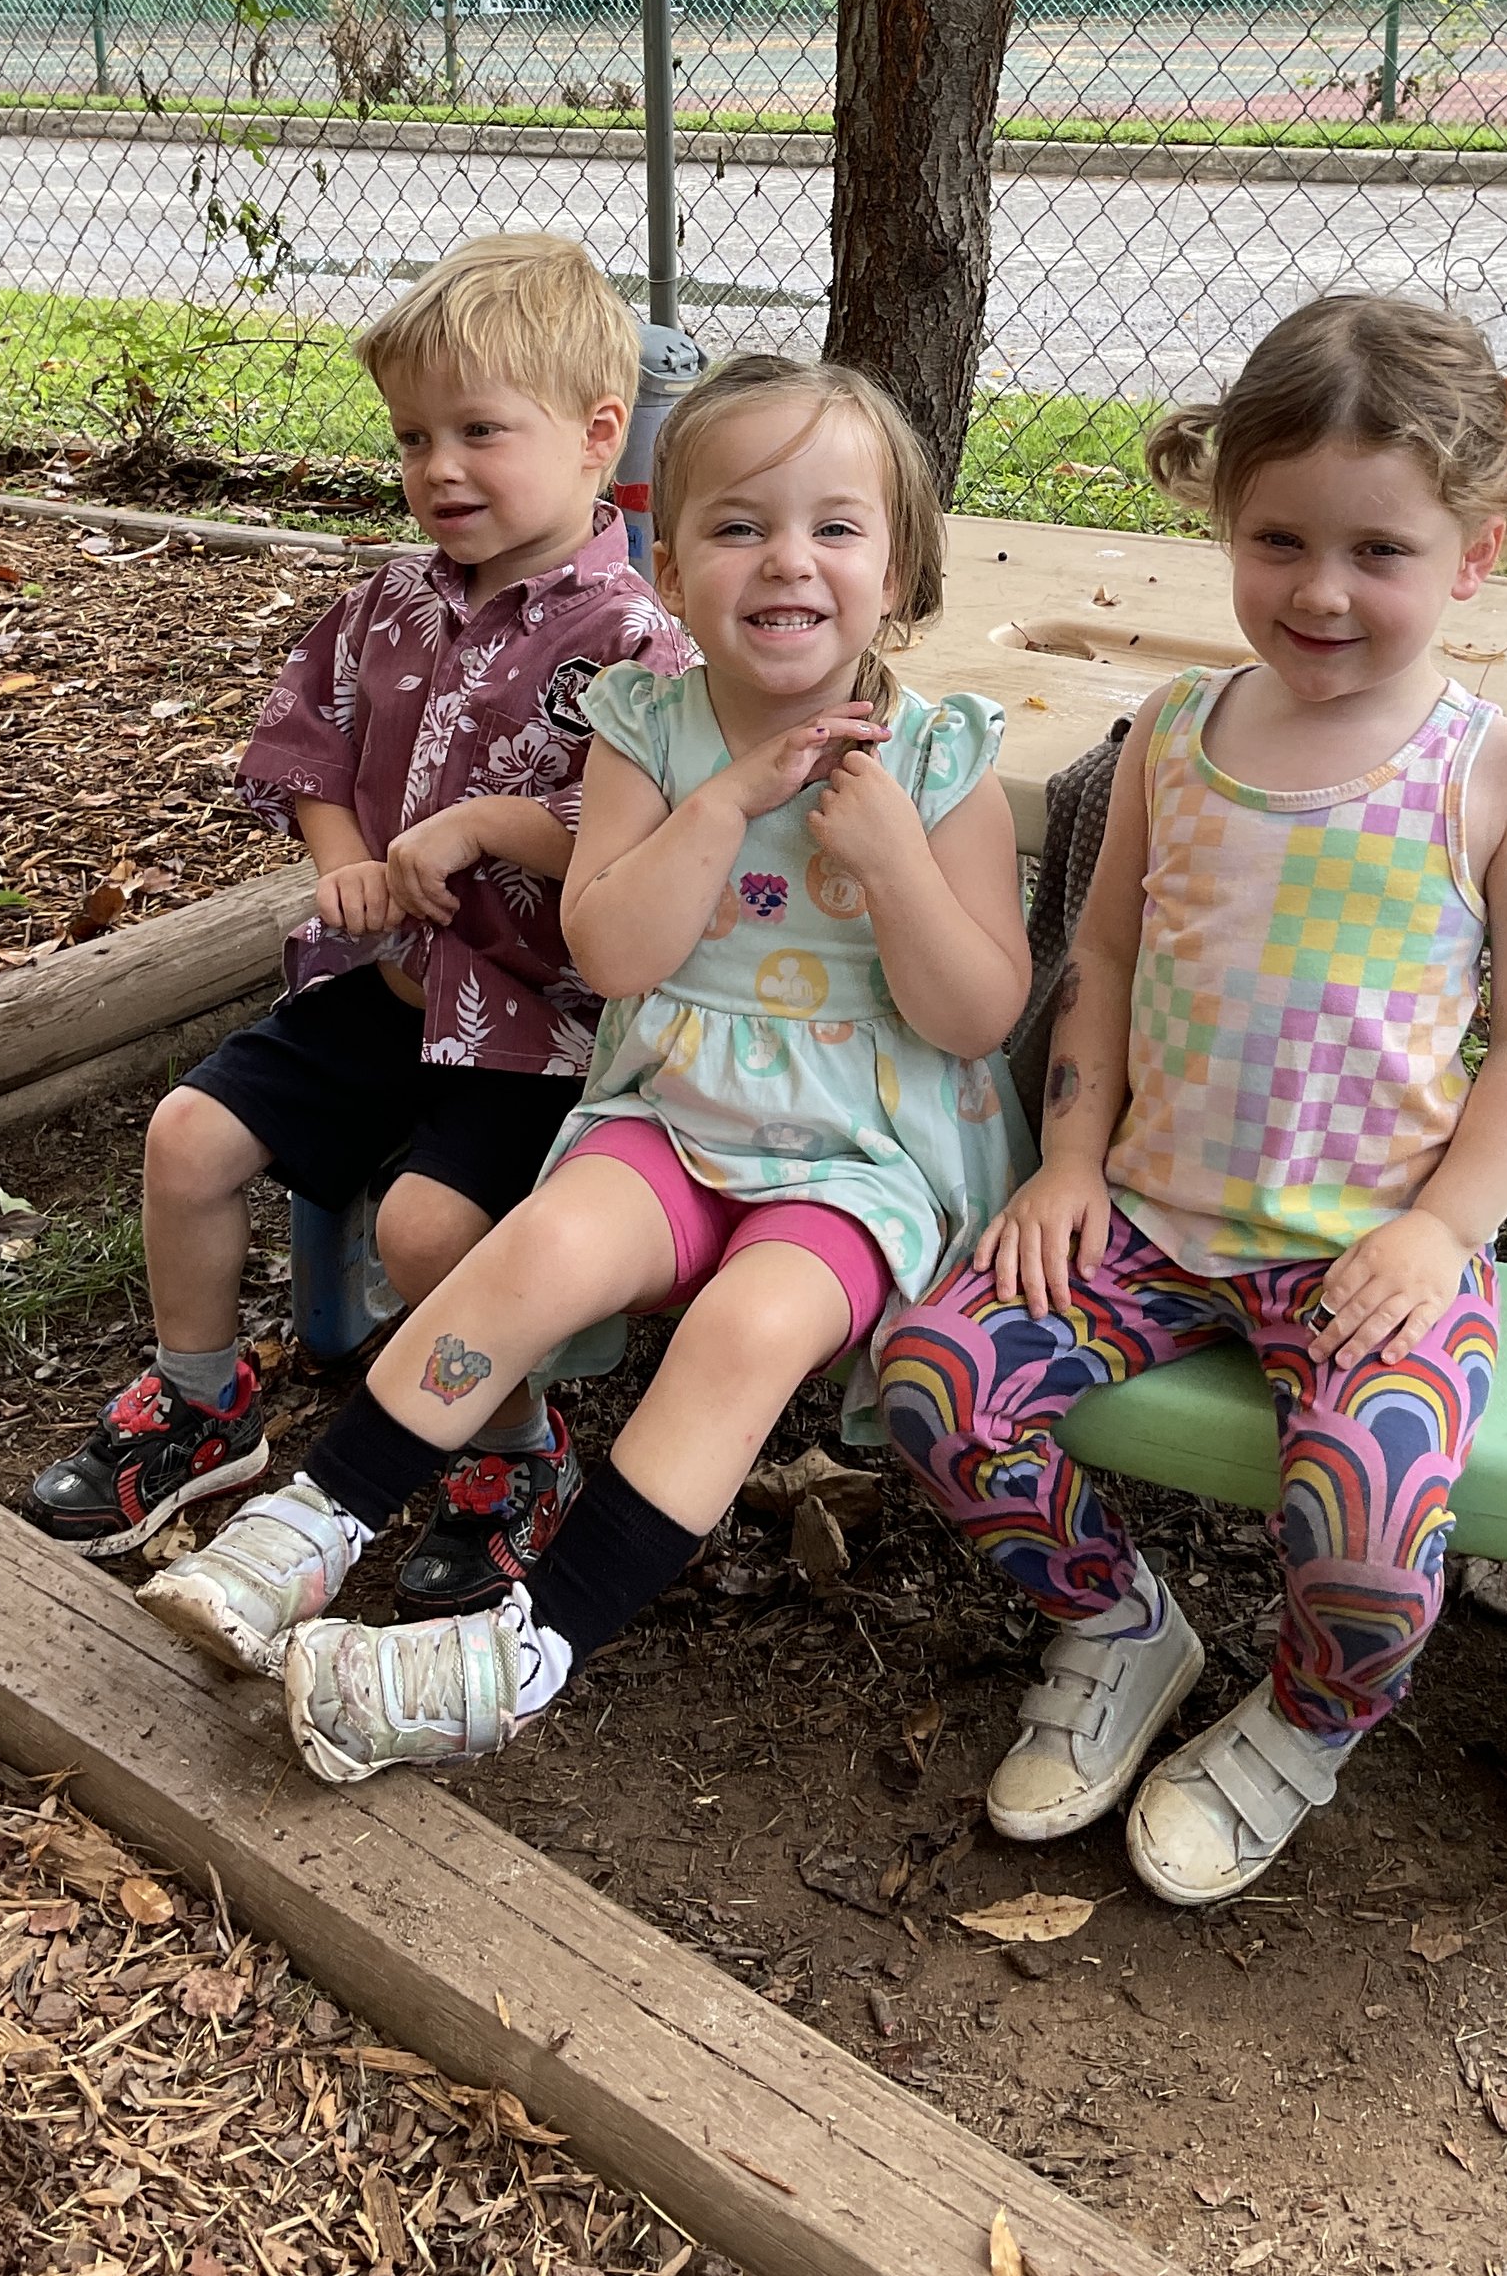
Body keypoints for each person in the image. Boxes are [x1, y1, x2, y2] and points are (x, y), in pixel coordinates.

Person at [139, 353, 1032, 1778]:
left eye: (836, 528)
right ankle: (309, 1523)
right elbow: (610, 948)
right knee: (538, 1243)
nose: (788, 559)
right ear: (671, 574)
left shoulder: (938, 765)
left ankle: (521, 1650)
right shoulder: (651, 732)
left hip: (860, 1161)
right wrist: (730, 803)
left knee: (746, 1330)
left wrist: (897, 868)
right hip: (672, 1120)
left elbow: (978, 1010)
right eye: (740, 527)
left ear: (901, 569)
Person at [880, 295, 1507, 1908]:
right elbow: (1111, 955)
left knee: (1364, 1529)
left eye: (1381, 551)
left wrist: (1440, 1229)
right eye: (1278, 538)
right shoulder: (1173, 736)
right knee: (933, 1376)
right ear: (1222, 514)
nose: (1322, 589)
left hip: (1369, 1257)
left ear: (1477, 549)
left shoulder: (1497, 772)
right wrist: (1067, 1156)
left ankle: (1310, 1715)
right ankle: (1115, 1618)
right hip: (1140, 1221)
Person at [24, 233, 687, 1604]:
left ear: (594, 434)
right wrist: (344, 858)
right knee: (188, 1136)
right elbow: (306, 748)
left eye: (479, 431)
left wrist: (501, 827)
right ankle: (205, 1400)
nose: (438, 467)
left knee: (429, 1234)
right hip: (388, 981)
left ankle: (514, 1451)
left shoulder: (640, 644)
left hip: (538, 1022)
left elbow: (659, 847)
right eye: (411, 436)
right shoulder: (387, 603)